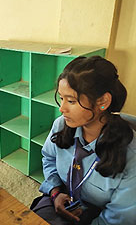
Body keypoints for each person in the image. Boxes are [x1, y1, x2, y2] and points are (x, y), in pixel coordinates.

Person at [31, 56, 136, 225]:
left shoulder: (130, 154)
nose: (62, 108)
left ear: (103, 101)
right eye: (62, 98)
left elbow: (121, 217)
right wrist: (55, 192)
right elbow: (49, 158)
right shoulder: (61, 125)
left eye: (71, 101)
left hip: (101, 214)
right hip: (63, 198)